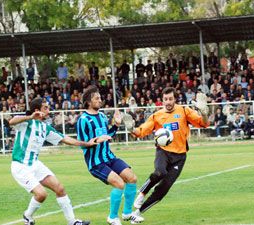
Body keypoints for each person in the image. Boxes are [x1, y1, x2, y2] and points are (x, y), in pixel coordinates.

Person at [9, 97, 100, 225]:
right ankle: (27, 215)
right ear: (37, 110)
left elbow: (65, 139)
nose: (48, 110)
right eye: (45, 108)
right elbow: (11, 121)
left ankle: (72, 222)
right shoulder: (26, 123)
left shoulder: (45, 128)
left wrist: (87, 144)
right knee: (41, 194)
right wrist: (30, 117)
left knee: (60, 188)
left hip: (35, 164)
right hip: (20, 166)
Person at [130, 87, 209, 221]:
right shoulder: (157, 116)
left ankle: (138, 213)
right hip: (163, 151)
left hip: (180, 157)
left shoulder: (184, 111)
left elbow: (204, 123)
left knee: (163, 188)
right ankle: (142, 192)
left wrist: (204, 112)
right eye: (166, 99)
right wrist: (131, 128)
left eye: (170, 99)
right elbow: (142, 131)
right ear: (162, 100)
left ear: (175, 99)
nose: (168, 102)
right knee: (160, 172)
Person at [76, 85, 144, 225]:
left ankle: (127, 214)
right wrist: (95, 141)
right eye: (97, 98)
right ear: (89, 102)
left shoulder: (101, 116)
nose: (100, 100)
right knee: (119, 183)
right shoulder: (83, 120)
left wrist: (116, 125)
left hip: (109, 157)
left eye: (100, 97)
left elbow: (108, 136)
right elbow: (81, 144)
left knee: (132, 178)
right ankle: (112, 217)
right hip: (96, 163)